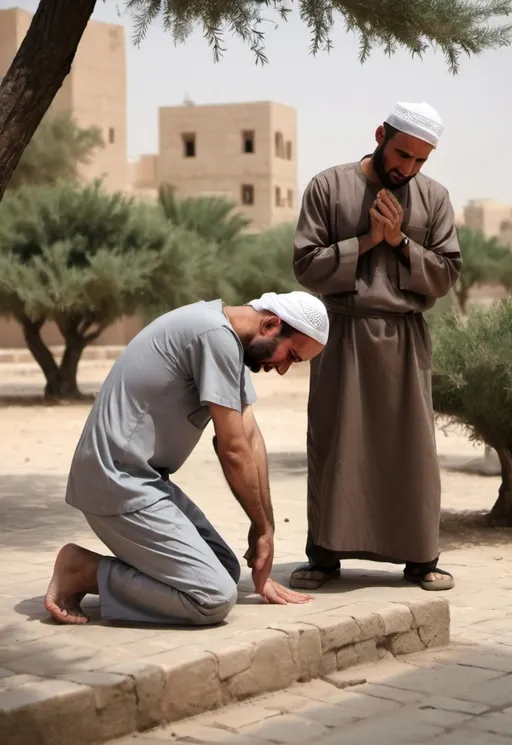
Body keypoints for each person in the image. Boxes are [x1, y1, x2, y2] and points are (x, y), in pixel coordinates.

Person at [44, 291, 328, 626]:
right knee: (213, 597)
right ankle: (84, 571)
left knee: (225, 569)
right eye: (291, 356)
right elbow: (233, 449)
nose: (282, 369)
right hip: (116, 481)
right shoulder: (214, 336)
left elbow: (250, 437)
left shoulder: (226, 340)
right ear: (270, 324)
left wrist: (266, 528)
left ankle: (124, 576)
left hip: (146, 481)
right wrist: (261, 528)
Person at [290, 100, 462, 593]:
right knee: (335, 443)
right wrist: (367, 240)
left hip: (406, 338)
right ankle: (324, 556)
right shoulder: (328, 186)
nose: (407, 168)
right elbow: (305, 265)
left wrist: (402, 243)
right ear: (381, 133)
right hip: (343, 333)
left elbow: (446, 273)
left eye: (419, 161)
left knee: (411, 450)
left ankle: (421, 558)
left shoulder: (434, 198)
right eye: (402, 154)